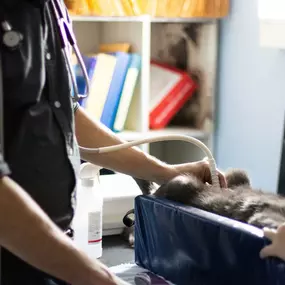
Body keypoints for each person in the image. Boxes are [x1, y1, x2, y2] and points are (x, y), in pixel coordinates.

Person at [0, 0, 227, 284]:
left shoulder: (47, 8)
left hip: (49, 254)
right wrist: (95, 277)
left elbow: (63, 114)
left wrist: (165, 172)